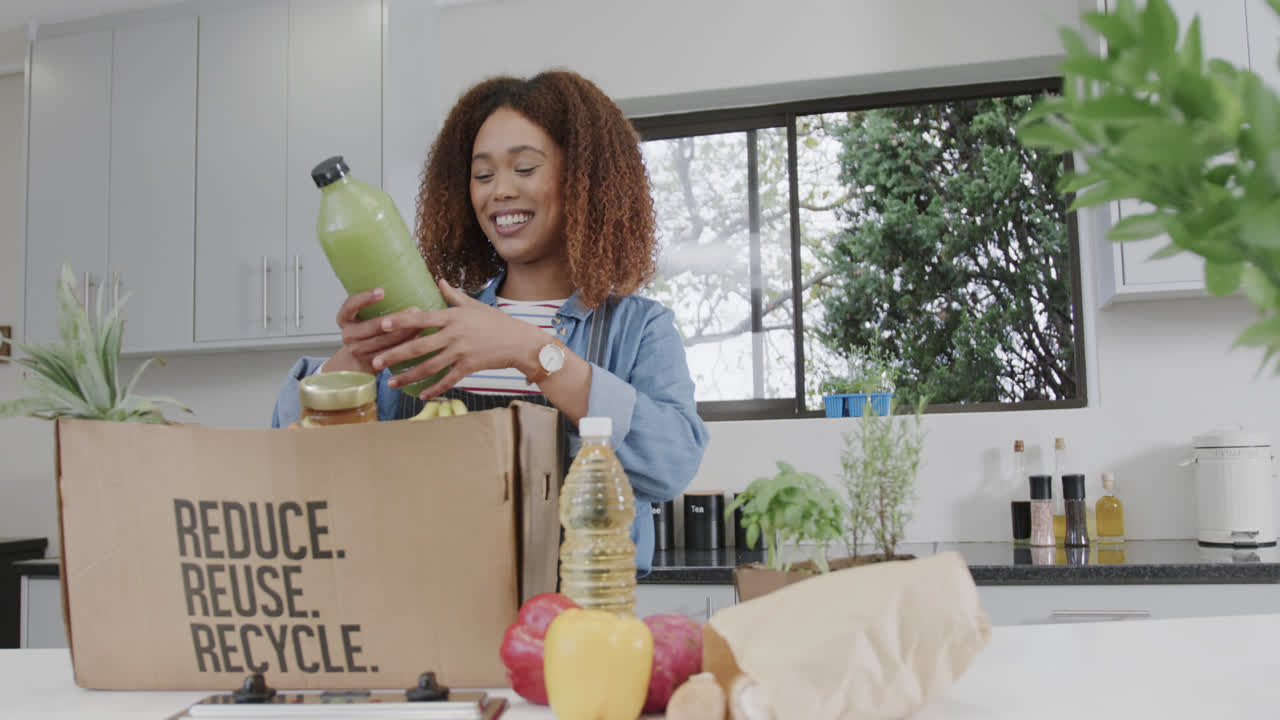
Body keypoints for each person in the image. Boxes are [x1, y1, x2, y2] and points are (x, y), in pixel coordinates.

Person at [271, 70, 710, 574]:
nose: (499, 191)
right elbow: (294, 456)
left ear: (583, 181)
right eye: (482, 176)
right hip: (433, 609)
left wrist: (532, 352)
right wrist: (357, 363)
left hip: (574, 624)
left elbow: (672, 463)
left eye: (524, 168)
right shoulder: (434, 320)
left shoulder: (638, 328)